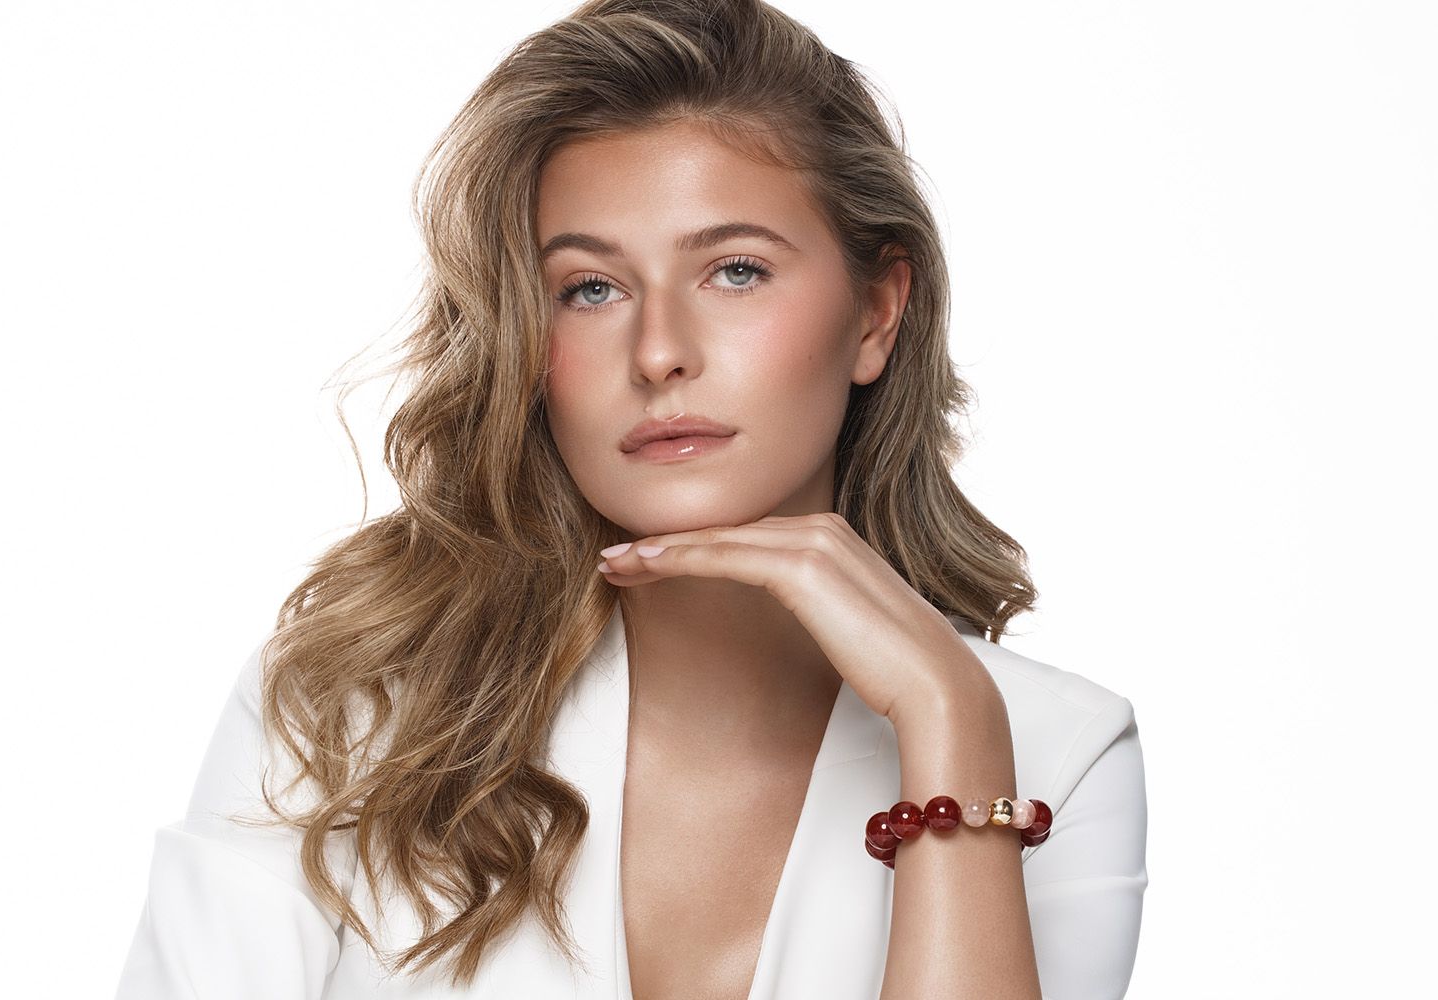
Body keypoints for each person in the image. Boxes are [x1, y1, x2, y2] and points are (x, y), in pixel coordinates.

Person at [116, 1, 1148, 997]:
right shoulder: (348, 711)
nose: (658, 353)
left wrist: (948, 718)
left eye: (735, 271)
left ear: (877, 313)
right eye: (591, 289)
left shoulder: (1053, 750)